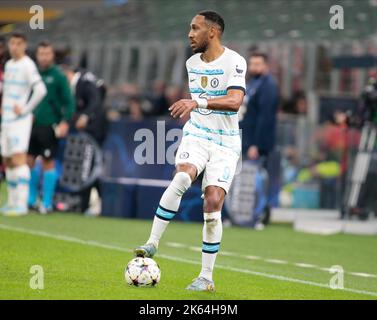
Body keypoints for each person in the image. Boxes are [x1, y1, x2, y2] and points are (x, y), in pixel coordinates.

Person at [134, 11, 246, 292]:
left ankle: (206, 278)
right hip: (197, 134)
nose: (190, 33)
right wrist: (195, 107)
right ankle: (152, 242)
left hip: (226, 142)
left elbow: (234, 102)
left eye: (195, 28)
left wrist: (197, 103)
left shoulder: (235, 61)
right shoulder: (191, 62)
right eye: (189, 28)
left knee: (212, 203)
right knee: (183, 177)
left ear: (213, 32)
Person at [0, 32, 47, 216]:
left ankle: (21, 204)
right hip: (7, 120)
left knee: (19, 159)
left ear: (25, 46)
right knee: (8, 160)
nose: (15, 47)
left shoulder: (28, 65)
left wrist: (26, 109)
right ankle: (11, 202)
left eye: (19, 43)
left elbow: (40, 90)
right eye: (12, 43)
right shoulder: (10, 65)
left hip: (20, 121)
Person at [27, 41, 76, 214]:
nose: (44, 57)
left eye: (47, 54)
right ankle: (30, 200)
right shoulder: (32, 73)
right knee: (29, 160)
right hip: (31, 124)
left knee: (48, 162)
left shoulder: (58, 76)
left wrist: (64, 121)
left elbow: (69, 102)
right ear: (37, 55)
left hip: (49, 125)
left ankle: (46, 203)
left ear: (52, 55)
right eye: (41, 54)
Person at [62, 65, 106, 213]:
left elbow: (96, 100)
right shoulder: (82, 80)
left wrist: (85, 116)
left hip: (95, 128)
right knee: (87, 163)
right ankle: (86, 203)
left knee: (89, 163)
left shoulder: (84, 82)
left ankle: (89, 203)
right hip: (90, 128)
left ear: (68, 73)